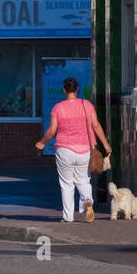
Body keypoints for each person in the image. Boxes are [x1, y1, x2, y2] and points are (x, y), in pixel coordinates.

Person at [36, 77, 112, 223]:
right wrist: (106, 144)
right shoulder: (87, 105)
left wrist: (42, 143)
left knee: (67, 184)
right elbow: (96, 125)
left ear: (64, 90)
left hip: (64, 150)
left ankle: (68, 217)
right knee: (83, 180)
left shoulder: (58, 108)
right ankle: (88, 200)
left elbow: (52, 131)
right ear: (77, 89)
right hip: (85, 150)